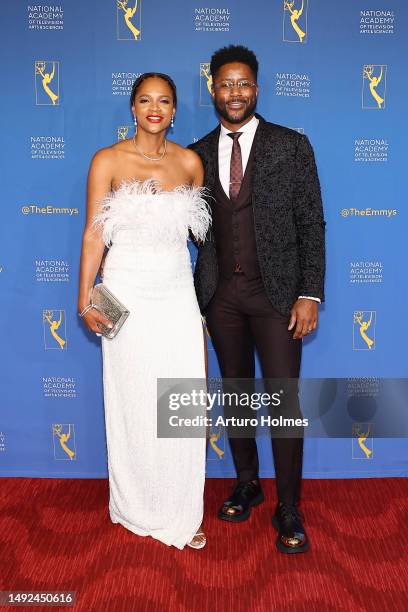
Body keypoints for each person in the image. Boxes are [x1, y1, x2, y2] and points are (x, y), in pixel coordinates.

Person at [189, 45, 325, 553]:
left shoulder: (291, 146)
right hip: (221, 297)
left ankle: (289, 505)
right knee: (239, 396)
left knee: (284, 402)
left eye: (243, 83)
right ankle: (247, 482)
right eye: (225, 84)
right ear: (212, 90)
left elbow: (312, 222)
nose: (235, 93)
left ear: (257, 87)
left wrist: (309, 292)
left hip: (278, 297)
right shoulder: (196, 152)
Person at [77, 72, 210, 550]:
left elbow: (206, 245)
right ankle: (134, 505)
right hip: (125, 292)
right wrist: (84, 295)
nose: (155, 108)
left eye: (165, 101)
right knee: (132, 399)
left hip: (175, 293)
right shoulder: (107, 160)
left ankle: (181, 508)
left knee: (180, 400)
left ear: (175, 111)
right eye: (145, 100)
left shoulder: (191, 163)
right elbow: (95, 234)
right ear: (132, 108)